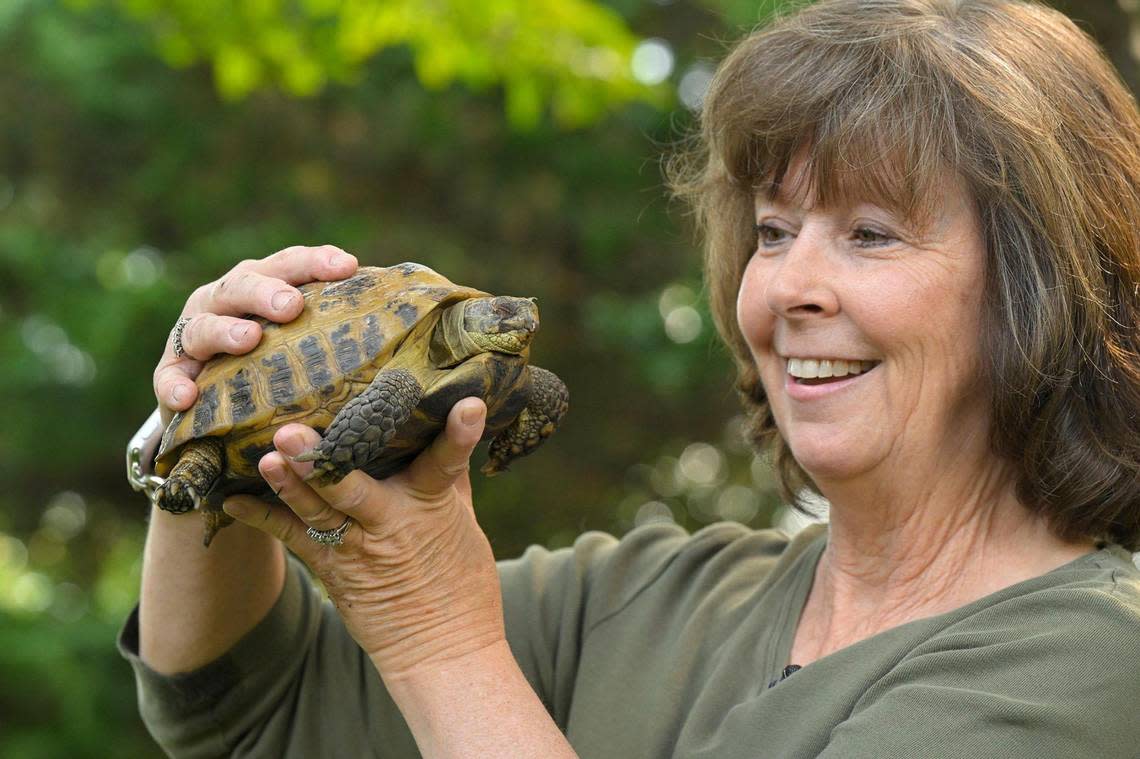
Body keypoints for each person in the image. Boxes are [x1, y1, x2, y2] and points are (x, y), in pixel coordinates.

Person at [119, 0, 1140, 756]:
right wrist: (204, 412)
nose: (790, 285)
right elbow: (245, 707)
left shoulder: (1091, 663)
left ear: (1041, 288)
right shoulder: (647, 598)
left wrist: (439, 643)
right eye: (774, 231)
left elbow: (427, 641)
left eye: (871, 235)